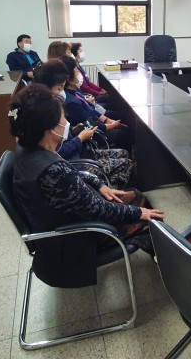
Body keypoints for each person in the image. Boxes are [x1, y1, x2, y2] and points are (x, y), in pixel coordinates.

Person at [9, 84, 163, 261]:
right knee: (147, 214)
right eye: (63, 117)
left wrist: (99, 184)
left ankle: (158, 252)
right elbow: (98, 209)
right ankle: (168, 259)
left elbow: (70, 175)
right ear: (51, 129)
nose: (66, 121)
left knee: (134, 196)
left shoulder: (29, 148)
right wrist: (138, 213)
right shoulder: (51, 170)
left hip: (70, 219)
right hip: (77, 238)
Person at [35, 60, 133, 187]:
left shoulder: (60, 103)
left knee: (124, 153)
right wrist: (80, 138)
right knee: (127, 161)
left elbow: (68, 132)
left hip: (81, 151)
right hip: (77, 164)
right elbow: (58, 152)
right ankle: (112, 192)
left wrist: (73, 130)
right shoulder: (50, 114)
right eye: (59, 88)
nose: (62, 91)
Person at [60, 56, 132, 151]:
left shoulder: (74, 91)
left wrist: (107, 120)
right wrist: (111, 125)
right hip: (94, 134)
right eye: (76, 72)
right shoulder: (71, 102)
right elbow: (89, 124)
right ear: (69, 79)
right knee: (125, 134)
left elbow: (91, 111)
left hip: (97, 124)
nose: (79, 73)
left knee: (125, 120)